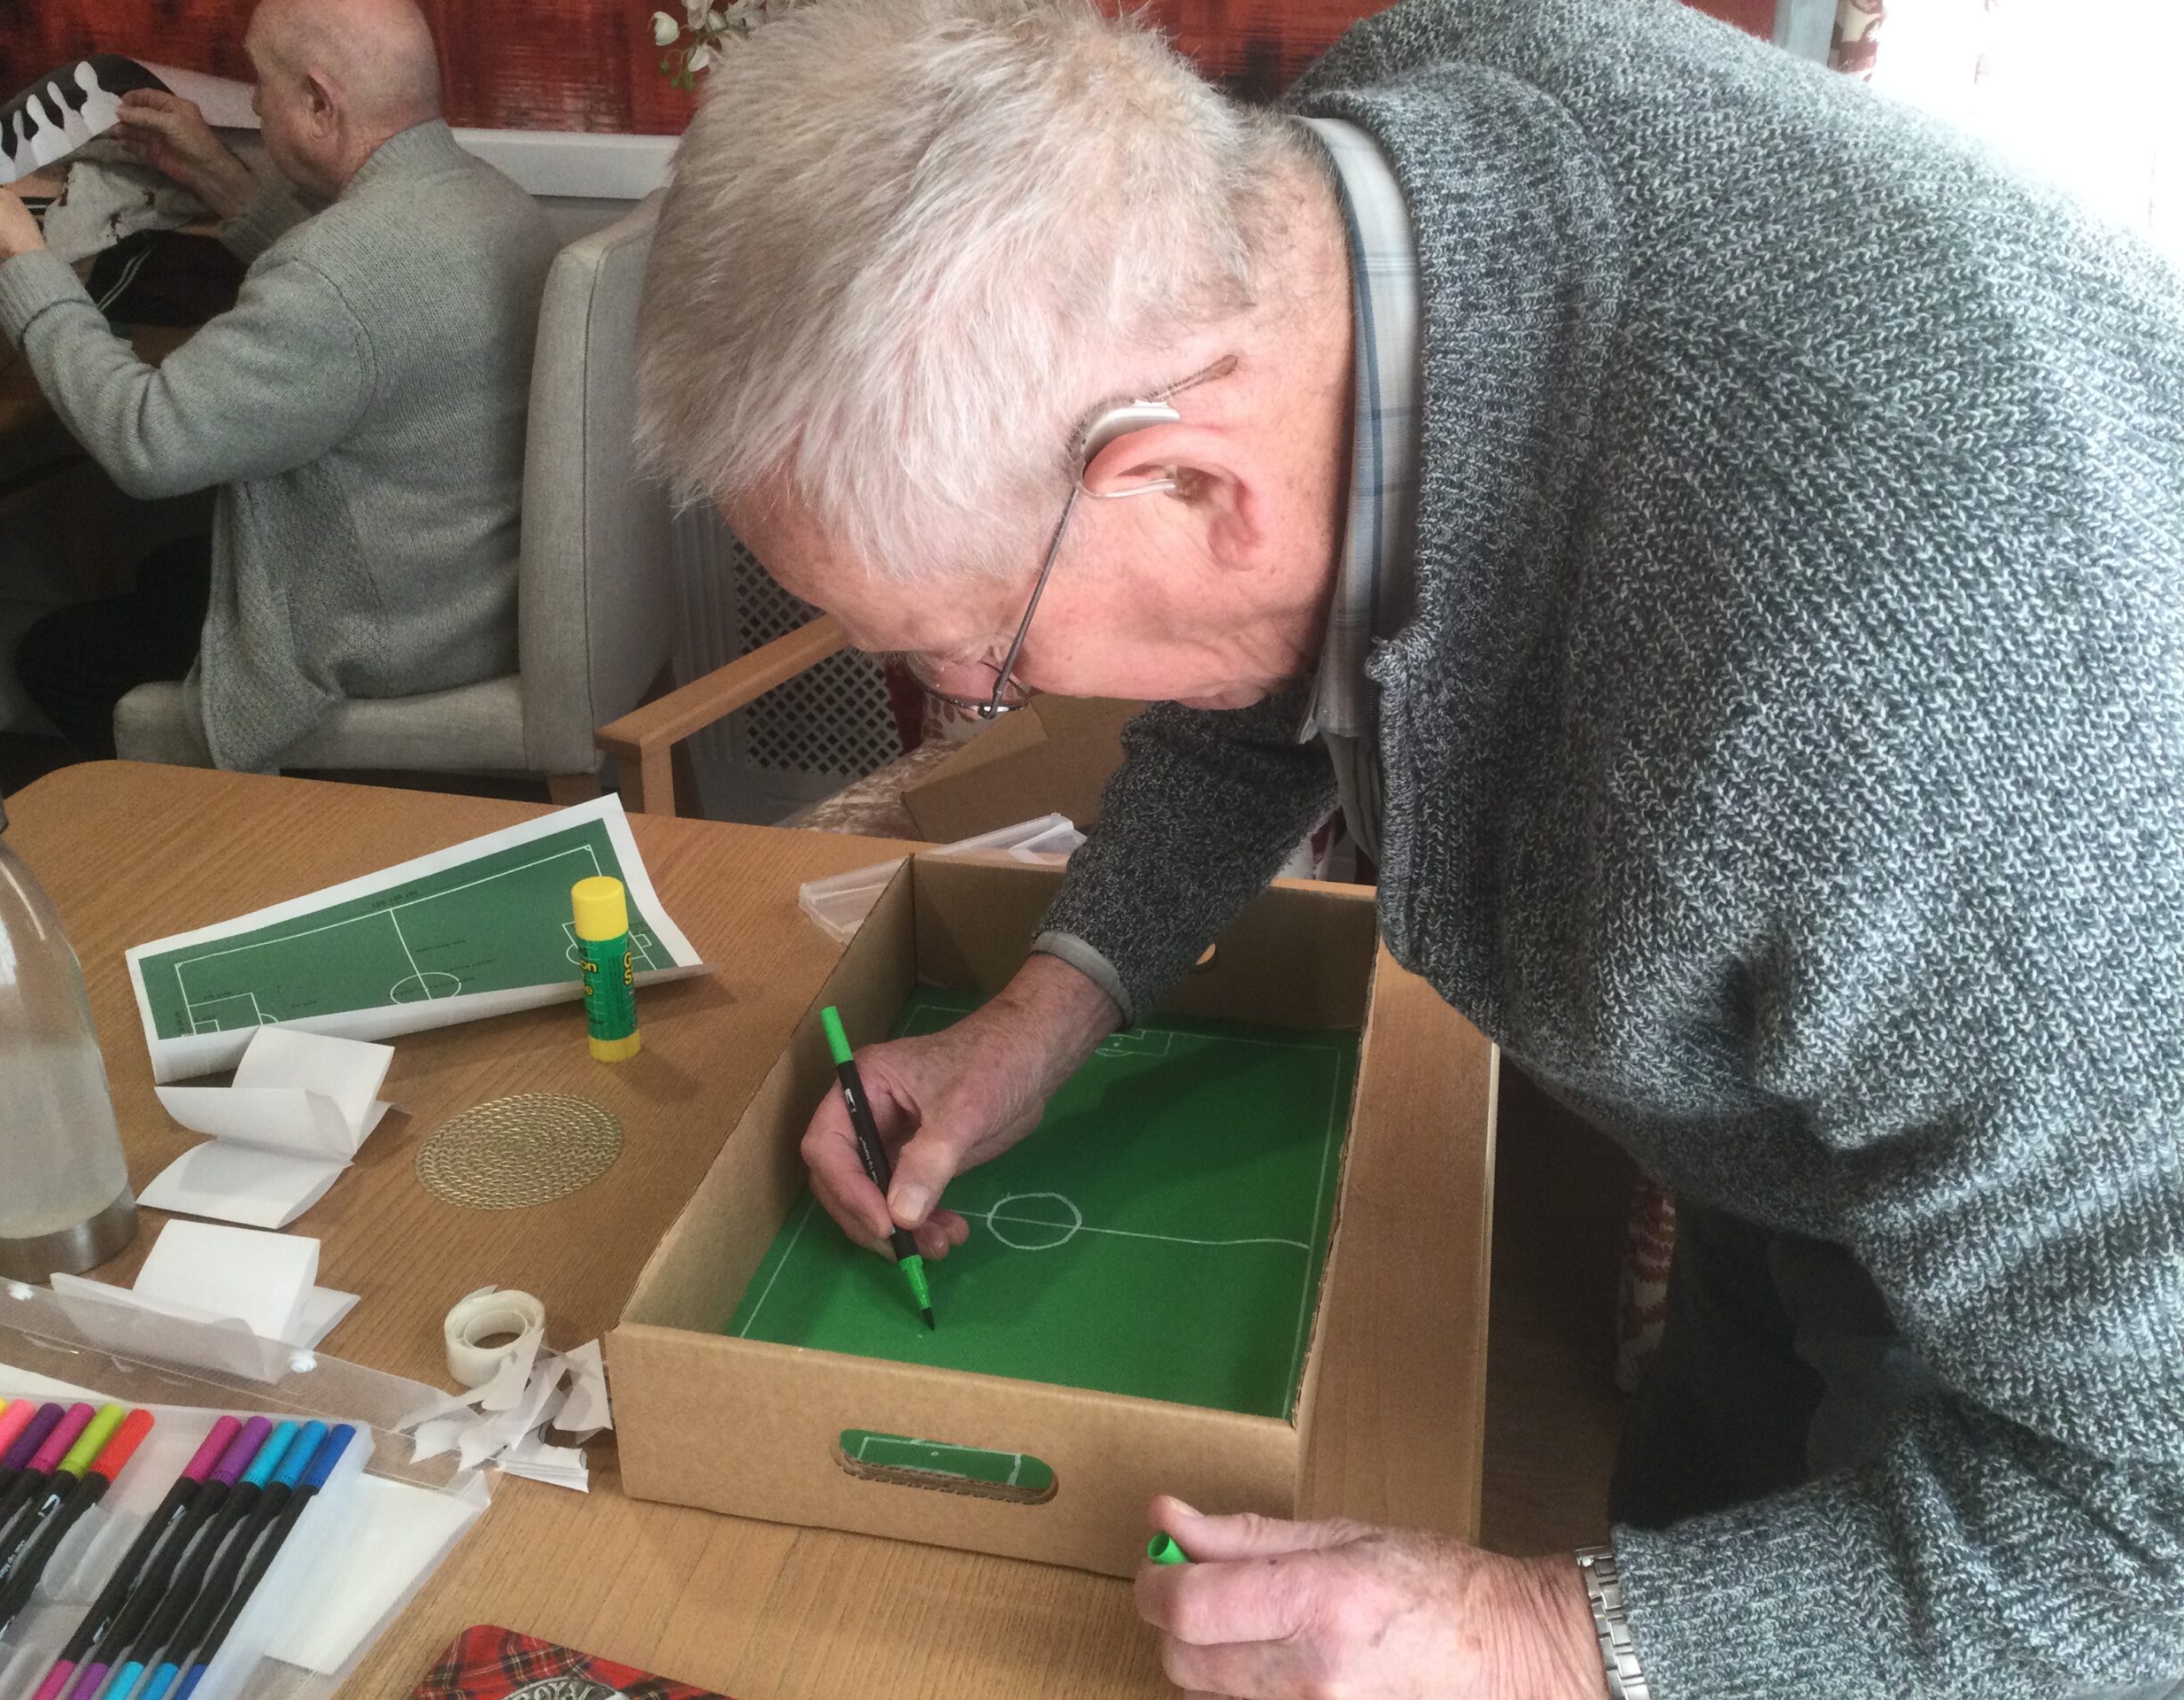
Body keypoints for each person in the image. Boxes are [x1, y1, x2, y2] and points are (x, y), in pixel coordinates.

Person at [631, 0, 2184, 1695]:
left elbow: (2147, 1536)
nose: (959, 692)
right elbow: (1266, 652)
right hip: (1815, 1095)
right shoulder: (1328, 213)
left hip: (2070, 1226)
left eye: (971, 654)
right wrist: (1044, 1013)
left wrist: (1548, 1637)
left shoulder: (1907, 702)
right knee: (1702, 1489)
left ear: (1179, 483)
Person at [0, 0, 558, 771]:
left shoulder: (332, 274)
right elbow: (369, 310)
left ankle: (221, 842)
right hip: (469, 594)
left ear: (319, 102)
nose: (251, 101)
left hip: (396, 639)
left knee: (58, 652)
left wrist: (24, 266)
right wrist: (218, 175)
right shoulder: (490, 199)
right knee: (166, 574)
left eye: (261, 83)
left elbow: (148, 442)